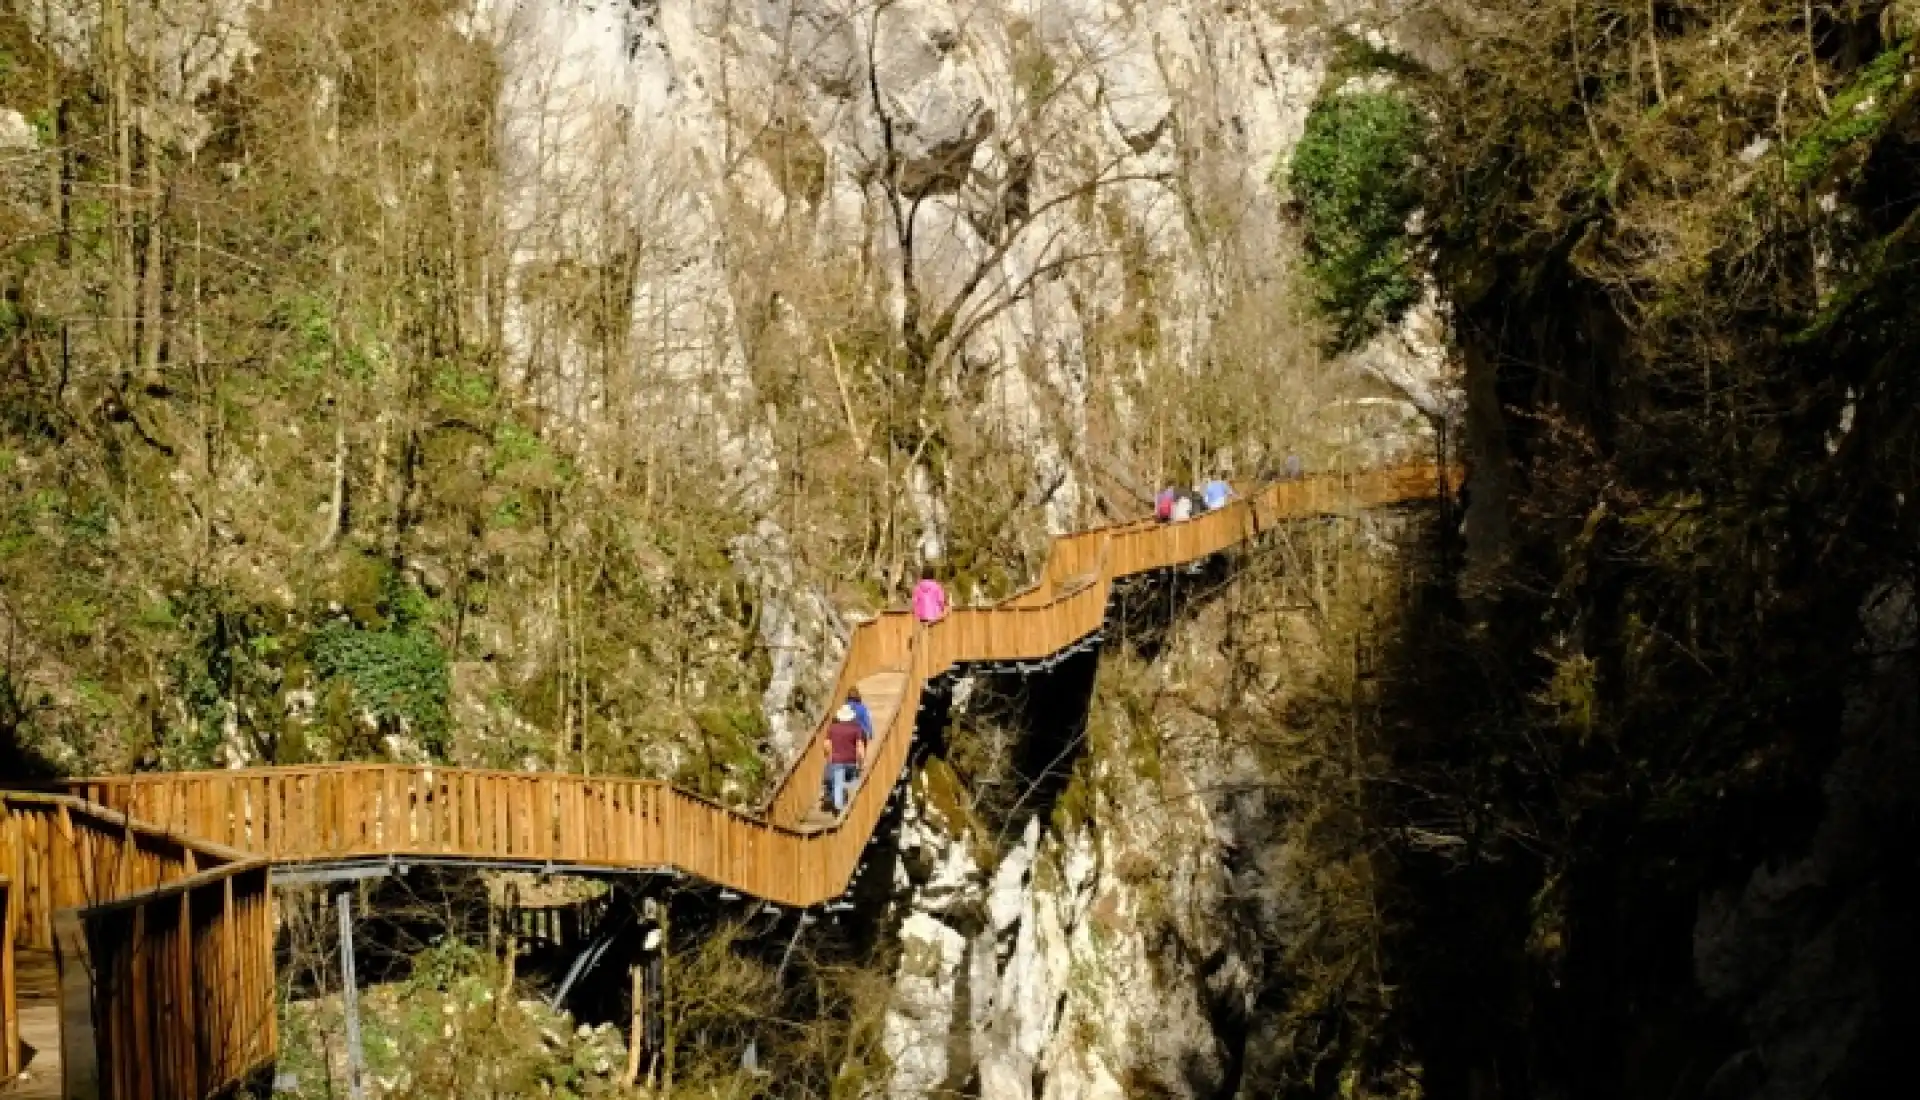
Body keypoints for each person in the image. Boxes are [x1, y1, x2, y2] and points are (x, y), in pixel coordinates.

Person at [825, 703, 866, 812]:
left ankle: (838, 809)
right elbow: (860, 747)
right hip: (851, 762)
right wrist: (861, 763)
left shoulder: (832, 728)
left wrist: (829, 757)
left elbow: (827, 745)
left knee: (838, 783)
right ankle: (854, 804)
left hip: (837, 761)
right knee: (853, 781)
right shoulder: (856, 728)